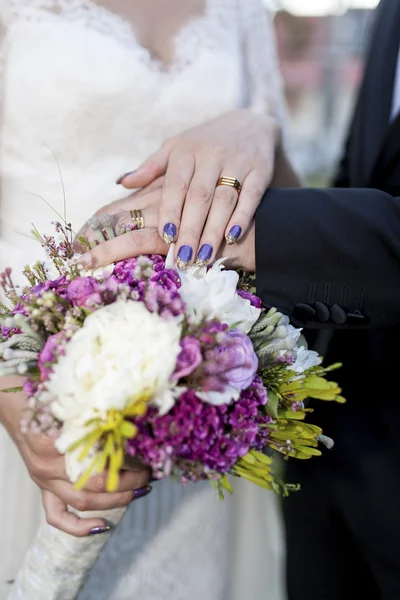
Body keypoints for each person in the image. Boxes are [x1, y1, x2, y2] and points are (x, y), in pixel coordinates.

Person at [80, 1, 400, 598]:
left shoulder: (243, 8)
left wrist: (262, 133)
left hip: (217, 428)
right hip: (42, 399)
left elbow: (288, 189)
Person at [0, 1, 292, 598]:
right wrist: (7, 380)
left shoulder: (244, 10)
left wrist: (259, 132)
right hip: (27, 381)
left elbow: (284, 202)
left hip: (200, 385)